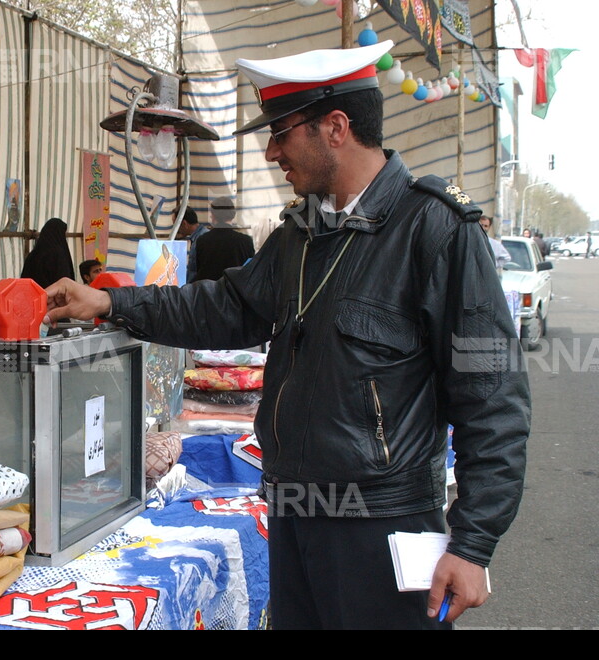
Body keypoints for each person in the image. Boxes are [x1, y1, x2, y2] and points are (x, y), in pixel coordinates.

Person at [43, 41, 530, 630]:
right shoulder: (303, 232)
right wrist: (110, 301)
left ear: (335, 127)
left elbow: (493, 395)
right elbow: (226, 307)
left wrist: (473, 544)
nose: (272, 150)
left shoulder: (436, 231)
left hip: (382, 526)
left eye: (281, 132)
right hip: (294, 515)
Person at [194, 196, 256, 281]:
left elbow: (198, 271)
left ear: (213, 215)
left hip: (209, 291)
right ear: (233, 215)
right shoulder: (245, 241)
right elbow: (251, 271)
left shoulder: (202, 240)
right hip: (235, 291)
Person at [20, 217, 75, 288]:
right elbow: (64, 281)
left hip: (33, 296)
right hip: (52, 297)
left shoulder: (32, 255)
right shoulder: (58, 254)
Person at [174, 206, 209, 283]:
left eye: (175, 225)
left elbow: (195, 271)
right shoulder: (200, 236)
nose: (175, 229)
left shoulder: (201, 239)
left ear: (184, 223)